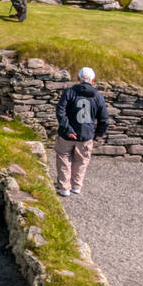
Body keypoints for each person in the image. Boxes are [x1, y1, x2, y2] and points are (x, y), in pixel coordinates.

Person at [54, 68, 110, 197]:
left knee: (64, 158)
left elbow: (60, 112)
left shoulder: (69, 92)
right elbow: (104, 119)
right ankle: (76, 186)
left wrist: (68, 129)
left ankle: (64, 188)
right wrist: (99, 133)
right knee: (82, 160)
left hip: (67, 135)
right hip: (86, 135)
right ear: (93, 80)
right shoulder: (98, 96)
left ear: (78, 78)